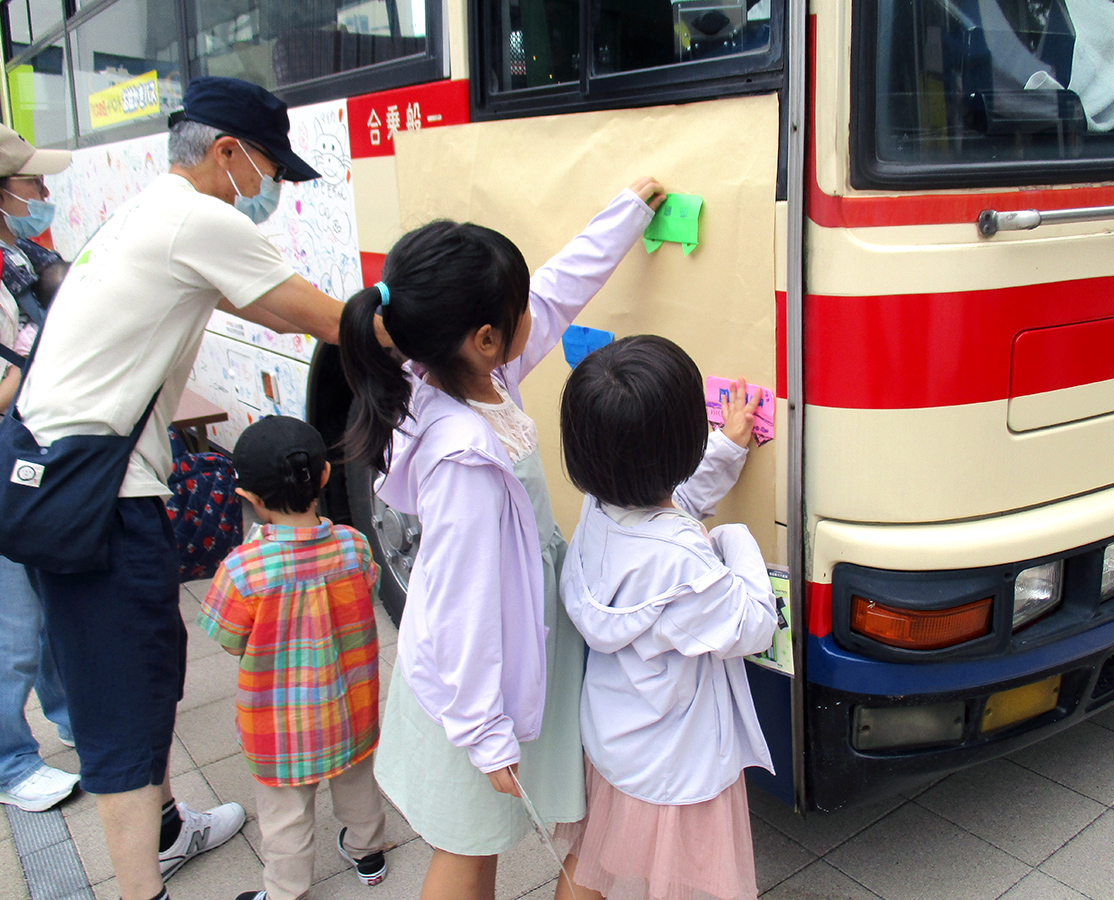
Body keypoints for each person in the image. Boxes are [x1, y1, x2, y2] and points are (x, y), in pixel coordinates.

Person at [15, 76, 346, 900]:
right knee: (124, 695)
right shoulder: (198, 216)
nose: (271, 189)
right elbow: (310, 316)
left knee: (149, 667)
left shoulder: (143, 209)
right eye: (271, 167)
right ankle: (142, 888)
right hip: (101, 495)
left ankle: (168, 828)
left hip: (65, 474)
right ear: (228, 153)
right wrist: (421, 332)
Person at [337, 177, 664, 899]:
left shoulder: (469, 378)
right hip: (474, 683)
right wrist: (485, 733)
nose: (532, 316)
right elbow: (462, 605)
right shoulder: (465, 458)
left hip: (503, 653)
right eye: (514, 313)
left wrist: (628, 214)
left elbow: (554, 290)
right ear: (485, 338)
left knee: (477, 841)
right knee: (468, 848)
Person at [553, 335, 778, 900]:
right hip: (679, 765)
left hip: (614, 739)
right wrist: (734, 537)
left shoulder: (600, 504)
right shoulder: (686, 560)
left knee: (591, 862)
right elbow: (753, 622)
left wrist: (726, 448)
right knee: (686, 882)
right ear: (680, 444)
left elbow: (665, 508)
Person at [197, 416, 389, 900]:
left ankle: (285, 892)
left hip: (280, 725)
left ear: (248, 498)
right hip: (349, 706)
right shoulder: (353, 545)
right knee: (358, 783)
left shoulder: (244, 569)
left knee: (285, 815)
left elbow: (229, 639)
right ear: (324, 476)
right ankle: (368, 854)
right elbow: (365, 591)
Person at [0, 125, 77, 813]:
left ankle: (73, 724)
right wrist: (38, 351)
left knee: (51, 608)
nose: (43, 195)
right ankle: (9, 763)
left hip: (31, 452)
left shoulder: (18, 259)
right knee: (14, 625)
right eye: (31, 183)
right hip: (6, 462)